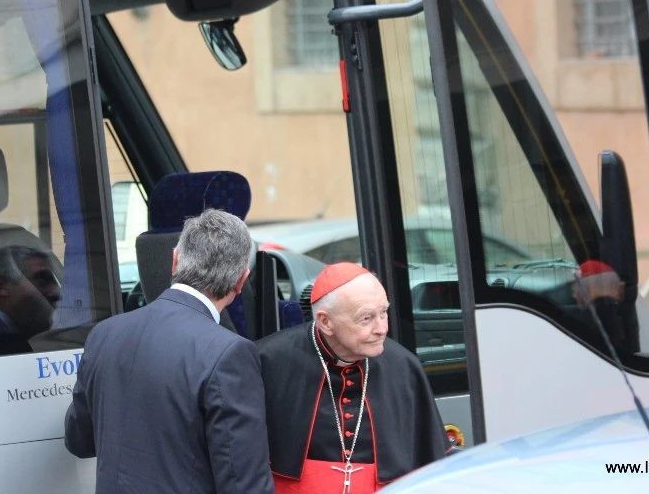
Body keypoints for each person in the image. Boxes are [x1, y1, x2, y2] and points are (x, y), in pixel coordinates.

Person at [64, 208, 275, 494]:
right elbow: (243, 483)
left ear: (175, 260)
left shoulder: (104, 333)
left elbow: (79, 440)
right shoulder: (229, 353)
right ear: (241, 281)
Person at [256, 262, 450, 493]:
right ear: (326, 321)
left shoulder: (404, 366)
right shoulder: (268, 359)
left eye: (384, 312)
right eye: (366, 318)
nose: (381, 329)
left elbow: (428, 463)